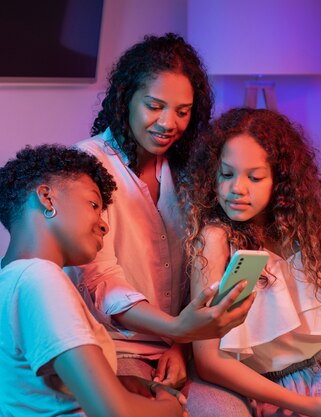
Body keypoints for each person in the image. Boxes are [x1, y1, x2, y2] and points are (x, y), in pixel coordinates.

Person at [70, 33, 255, 415]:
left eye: (183, 111)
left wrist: (180, 343)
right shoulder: (86, 166)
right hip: (119, 348)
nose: (169, 123)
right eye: (154, 106)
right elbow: (100, 281)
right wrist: (176, 330)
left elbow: (195, 272)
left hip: (182, 345)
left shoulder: (186, 169)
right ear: (126, 99)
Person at [183, 108, 321, 417]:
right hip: (282, 395)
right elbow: (208, 361)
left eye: (255, 177)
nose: (237, 189)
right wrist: (304, 405)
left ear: (280, 181)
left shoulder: (307, 232)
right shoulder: (215, 240)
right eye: (226, 173)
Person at [0, 144, 188, 417]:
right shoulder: (41, 279)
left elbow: (41, 389)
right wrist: (170, 409)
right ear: (47, 197)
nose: (104, 224)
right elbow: (116, 413)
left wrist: (124, 384)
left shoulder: (2, 275)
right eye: (94, 205)